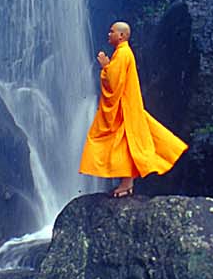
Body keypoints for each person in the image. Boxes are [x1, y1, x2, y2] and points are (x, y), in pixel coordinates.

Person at [79, 21, 188, 197]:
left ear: (121, 35)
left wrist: (105, 66)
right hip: (127, 104)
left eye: (112, 31)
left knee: (127, 143)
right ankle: (126, 181)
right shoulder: (123, 53)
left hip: (124, 107)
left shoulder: (122, 54)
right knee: (127, 143)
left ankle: (127, 182)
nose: (108, 34)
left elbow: (114, 82)